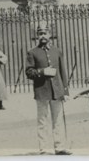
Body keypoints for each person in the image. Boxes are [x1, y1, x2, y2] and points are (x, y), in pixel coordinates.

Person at [24, 24, 72, 155]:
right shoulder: (32, 52)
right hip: (41, 91)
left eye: (45, 33)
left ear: (50, 35)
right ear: (37, 36)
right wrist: (43, 71)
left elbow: (62, 72)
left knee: (58, 120)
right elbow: (28, 72)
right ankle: (44, 149)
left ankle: (60, 147)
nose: (43, 36)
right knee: (42, 121)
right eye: (40, 33)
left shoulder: (57, 51)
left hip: (57, 91)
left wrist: (66, 91)